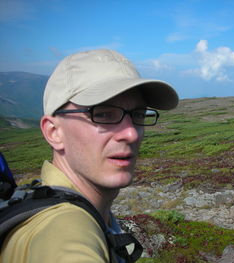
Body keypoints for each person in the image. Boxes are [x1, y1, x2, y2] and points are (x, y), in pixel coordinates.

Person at [0, 49, 178, 263]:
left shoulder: (55, 202)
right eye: (102, 114)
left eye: (138, 115)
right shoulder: (64, 232)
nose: (131, 134)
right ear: (54, 132)